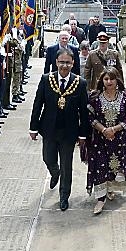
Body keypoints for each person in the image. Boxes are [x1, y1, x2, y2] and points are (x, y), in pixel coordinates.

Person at [29, 48, 90, 211]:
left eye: (68, 63)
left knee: (67, 165)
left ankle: (64, 195)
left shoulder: (80, 83)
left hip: (69, 132)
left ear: (73, 64)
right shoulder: (46, 79)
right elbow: (38, 104)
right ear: (56, 62)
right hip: (48, 129)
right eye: (62, 62)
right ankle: (54, 173)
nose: (64, 65)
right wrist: (33, 127)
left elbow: (84, 111)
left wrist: (83, 134)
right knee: (48, 158)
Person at [86, 68, 126, 214]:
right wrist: (103, 130)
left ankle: (110, 188)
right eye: (106, 79)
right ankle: (100, 199)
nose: (109, 82)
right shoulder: (95, 97)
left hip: (119, 139)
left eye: (112, 79)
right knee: (100, 166)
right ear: (102, 80)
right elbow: (89, 117)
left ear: (117, 80)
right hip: (100, 139)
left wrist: (114, 130)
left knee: (115, 165)